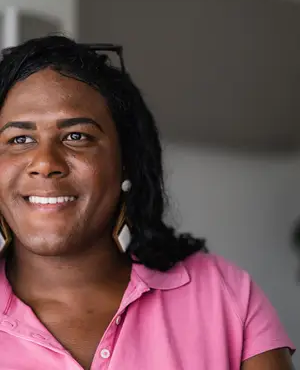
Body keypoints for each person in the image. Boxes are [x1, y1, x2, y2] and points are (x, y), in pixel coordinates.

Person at [0, 35, 295, 370]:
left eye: (76, 136)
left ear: (126, 159)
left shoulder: (225, 296)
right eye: (20, 139)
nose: (45, 162)